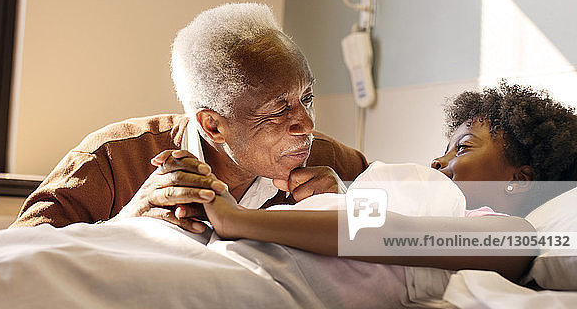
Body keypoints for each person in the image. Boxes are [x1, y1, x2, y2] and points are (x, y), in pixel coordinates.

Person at [11, 3, 368, 230]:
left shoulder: (332, 162)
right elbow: (19, 259)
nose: (306, 124)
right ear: (212, 125)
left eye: (307, 98)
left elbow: (411, 244)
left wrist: (350, 208)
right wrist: (124, 223)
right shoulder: (111, 161)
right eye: (277, 109)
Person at [200, 82, 577, 283]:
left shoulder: (512, 234)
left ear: (519, 180)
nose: (438, 160)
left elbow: (388, 230)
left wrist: (239, 220)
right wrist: (342, 195)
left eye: (462, 148)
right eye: (444, 149)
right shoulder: (429, 197)